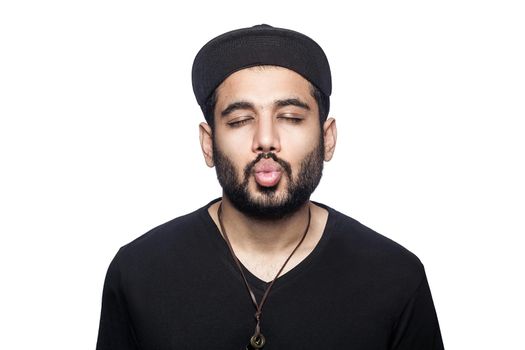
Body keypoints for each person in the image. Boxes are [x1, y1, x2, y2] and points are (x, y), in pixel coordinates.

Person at [96, 24, 444, 350]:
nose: (266, 140)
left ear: (327, 138)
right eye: (240, 120)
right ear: (208, 143)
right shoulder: (139, 273)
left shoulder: (395, 278)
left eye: (291, 118)